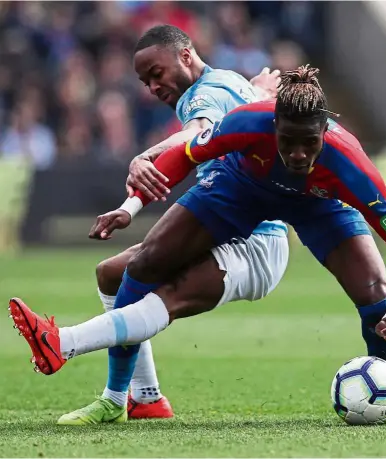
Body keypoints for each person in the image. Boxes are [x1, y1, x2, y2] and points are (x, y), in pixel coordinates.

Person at [9, 66, 386, 422]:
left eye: (309, 143)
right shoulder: (248, 121)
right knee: (145, 263)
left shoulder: (351, 165)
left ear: (325, 133)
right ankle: (120, 397)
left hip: (320, 206)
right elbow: (187, 154)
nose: (298, 154)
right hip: (242, 188)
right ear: (273, 125)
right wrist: (131, 207)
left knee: (374, 293)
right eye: (288, 141)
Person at [65, 24, 289, 422]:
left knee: (150, 296)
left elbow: (198, 133)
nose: (152, 87)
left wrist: (144, 156)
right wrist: (130, 207)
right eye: (144, 81)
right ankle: (145, 398)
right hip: (233, 227)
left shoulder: (201, 94)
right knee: (112, 274)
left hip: (251, 241)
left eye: (156, 73)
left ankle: (69, 350)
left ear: (186, 55)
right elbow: (221, 128)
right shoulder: (229, 82)